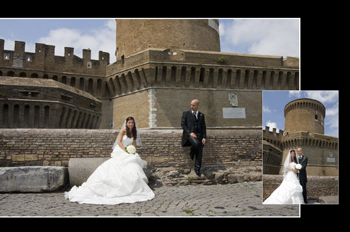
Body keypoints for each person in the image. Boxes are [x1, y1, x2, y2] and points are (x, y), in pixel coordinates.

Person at [65, 116, 155, 205]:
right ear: (126, 124)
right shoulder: (123, 131)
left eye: (132, 123)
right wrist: (125, 150)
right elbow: (119, 142)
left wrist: (132, 150)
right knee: (116, 165)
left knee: (133, 166)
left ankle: (134, 186)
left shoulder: (134, 133)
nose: (131, 124)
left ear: (134, 124)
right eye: (129, 123)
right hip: (121, 150)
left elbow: (134, 144)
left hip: (129, 151)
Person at [181, 99, 207, 177]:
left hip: (199, 136)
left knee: (200, 152)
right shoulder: (186, 113)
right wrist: (190, 133)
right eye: (191, 105)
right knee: (196, 143)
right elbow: (183, 125)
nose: (191, 106)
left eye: (193, 105)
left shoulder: (201, 115)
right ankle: (192, 152)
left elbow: (203, 127)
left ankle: (197, 169)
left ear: (198, 105)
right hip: (189, 136)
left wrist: (204, 138)